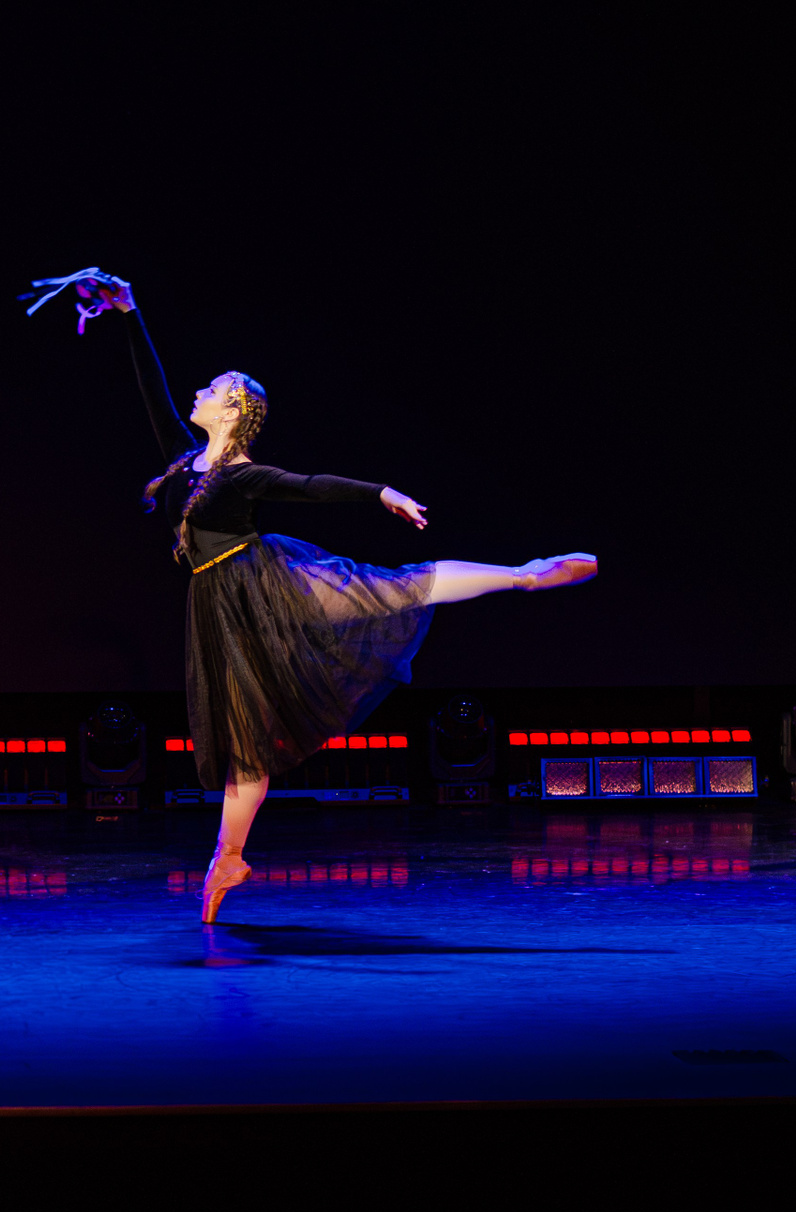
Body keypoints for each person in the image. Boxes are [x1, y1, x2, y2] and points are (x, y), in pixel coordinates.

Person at [82, 276, 596, 922]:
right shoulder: (186, 463)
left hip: (265, 585)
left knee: (392, 590)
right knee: (245, 737)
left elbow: (310, 486)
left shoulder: (243, 475)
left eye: (212, 389)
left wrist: (380, 493)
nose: (198, 393)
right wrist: (129, 313)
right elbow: (153, 392)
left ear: (233, 410)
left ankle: (522, 574)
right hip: (217, 605)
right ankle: (228, 857)